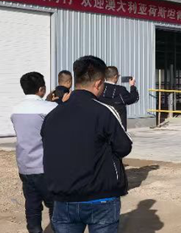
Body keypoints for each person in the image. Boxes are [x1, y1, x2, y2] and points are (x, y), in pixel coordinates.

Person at [42, 56, 132, 233]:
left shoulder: (52, 115)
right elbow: (124, 147)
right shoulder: (104, 112)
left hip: (63, 198)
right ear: (98, 83)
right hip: (101, 198)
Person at [11, 72, 57, 233]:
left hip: (24, 165)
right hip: (45, 166)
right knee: (55, 204)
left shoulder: (15, 109)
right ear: (42, 89)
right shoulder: (51, 108)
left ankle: (34, 230)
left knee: (32, 204)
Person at [98, 66, 139, 130]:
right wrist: (132, 86)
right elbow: (133, 98)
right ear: (115, 77)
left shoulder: (98, 89)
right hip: (118, 128)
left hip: (101, 126)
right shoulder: (120, 90)